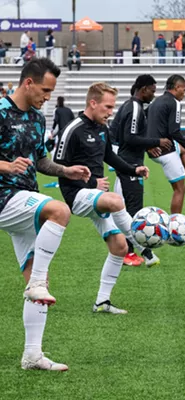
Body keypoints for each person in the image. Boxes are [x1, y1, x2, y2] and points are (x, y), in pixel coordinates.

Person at [0, 58, 91, 371]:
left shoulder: (37, 118)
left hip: (22, 200)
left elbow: (41, 161)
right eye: (45, 90)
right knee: (59, 209)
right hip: (3, 197)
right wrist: (5, 165)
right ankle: (37, 281)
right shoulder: (0, 112)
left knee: (38, 281)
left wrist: (66, 170)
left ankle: (32, 355)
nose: (48, 96)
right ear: (28, 82)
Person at [54, 82, 149, 315]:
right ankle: (141, 240)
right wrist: (90, 183)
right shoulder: (73, 128)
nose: (111, 112)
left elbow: (110, 158)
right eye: (107, 107)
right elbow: (58, 169)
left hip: (96, 195)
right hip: (76, 195)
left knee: (118, 247)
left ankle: (102, 302)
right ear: (93, 103)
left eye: (113, 107)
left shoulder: (103, 129)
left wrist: (132, 170)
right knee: (116, 200)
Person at [112, 75, 172, 267]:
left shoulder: (130, 106)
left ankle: (133, 252)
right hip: (130, 164)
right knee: (132, 210)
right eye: (152, 91)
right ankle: (130, 253)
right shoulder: (135, 108)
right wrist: (157, 141)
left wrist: (146, 147)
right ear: (144, 89)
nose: (153, 95)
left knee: (127, 209)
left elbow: (124, 136)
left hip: (128, 161)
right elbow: (129, 138)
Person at [146, 75, 185, 213]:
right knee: (179, 189)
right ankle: (175, 224)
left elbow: (145, 124)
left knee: (182, 150)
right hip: (166, 151)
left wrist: (148, 145)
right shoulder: (175, 103)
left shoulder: (155, 102)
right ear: (177, 87)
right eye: (184, 90)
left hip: (153, 150)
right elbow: (175, 132)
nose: (184, 93)